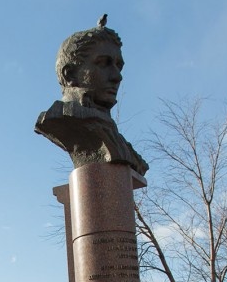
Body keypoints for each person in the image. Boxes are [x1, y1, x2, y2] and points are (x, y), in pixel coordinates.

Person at [34, 18, 148, 175]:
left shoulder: (110, 129)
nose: (117, 77)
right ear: (70, 74)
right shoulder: (61, 117)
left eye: (118, 66)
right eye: (103, 63)